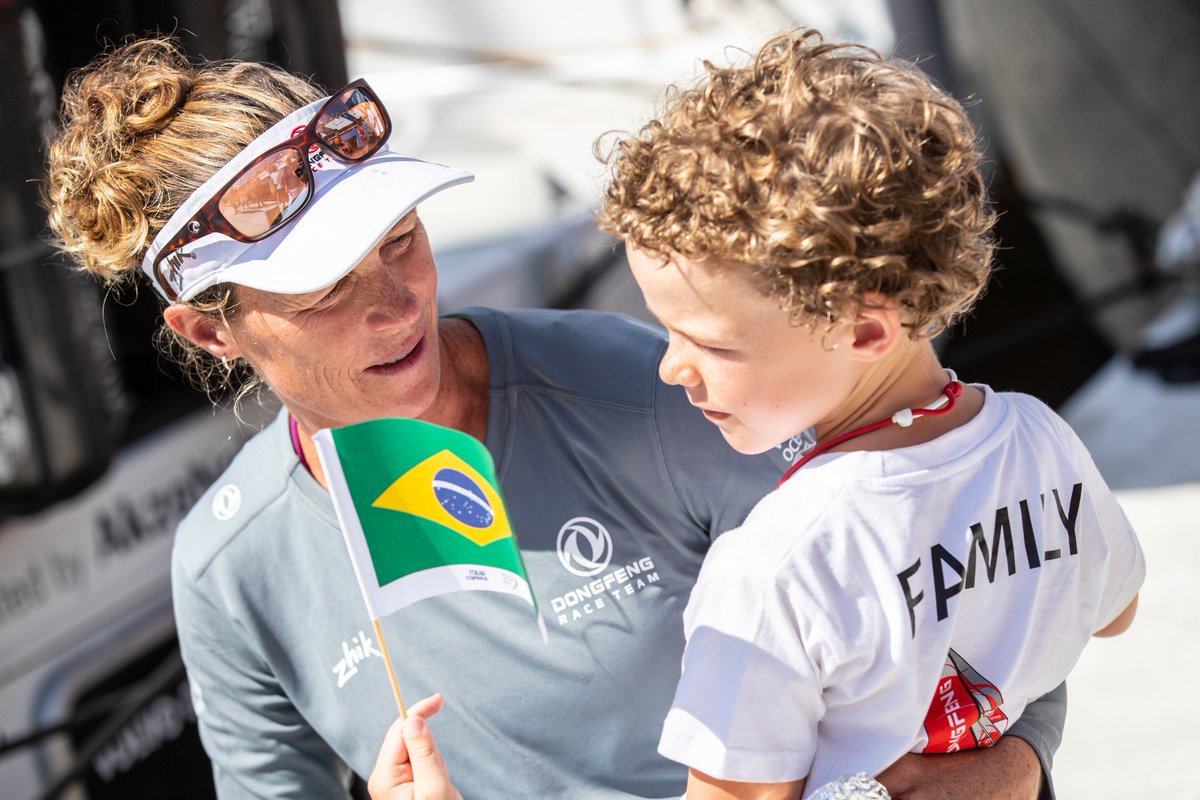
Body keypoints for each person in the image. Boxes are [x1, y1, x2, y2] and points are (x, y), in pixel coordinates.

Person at [45, 34, 1066, 800]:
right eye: (322, 292)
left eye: (401, 240)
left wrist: (1020, 760)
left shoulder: (641, 390)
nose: (398, 303)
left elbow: (973, 584)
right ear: (211, 332)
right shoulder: (229, 567)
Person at [593, 28, 1144, 799]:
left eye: (707, 342)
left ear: (862, 329)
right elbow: (1114, 611)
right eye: (665, 330)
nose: (670, 366)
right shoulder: (1038, 437)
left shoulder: (776, 565)